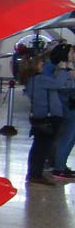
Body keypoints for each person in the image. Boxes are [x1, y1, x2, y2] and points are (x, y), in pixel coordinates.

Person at [22, 52, 75, 185]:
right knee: (42, 147)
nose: (43, 66)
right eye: (41, 64)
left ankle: (35, 172)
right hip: (48, 118)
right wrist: (64, 71)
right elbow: (57, 84)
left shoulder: (31, 81)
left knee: (39, 146)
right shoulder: (40, 80)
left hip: (40, 117)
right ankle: (36, 173)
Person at [43, 43, 75, 181]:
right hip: (67, 108)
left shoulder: (66, 70)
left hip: (69, 107)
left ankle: (62, 165)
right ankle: (59, 167)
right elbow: (60, 87)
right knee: (66, 138)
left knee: (70, 138)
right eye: (72, 52)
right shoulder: (62, 72)